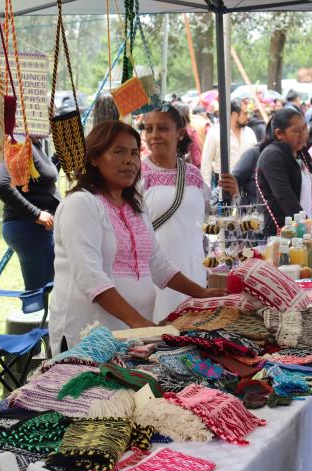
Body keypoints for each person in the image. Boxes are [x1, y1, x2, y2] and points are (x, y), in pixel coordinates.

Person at [50, 121, 223, 355]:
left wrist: (202, 294)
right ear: (94, 158)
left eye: (133, 153)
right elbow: (90, 277)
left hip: (131, 334)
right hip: (87, 333)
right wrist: (138, 322)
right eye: (119, 152)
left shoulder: (136, 206)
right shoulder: (81, 204)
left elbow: (159, 265)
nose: (130, 160)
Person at [140, 103, 235, 321]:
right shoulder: (136, 175)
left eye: (163, 128)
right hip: (153, 276)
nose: (154, 135)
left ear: (180, 133)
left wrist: (232, 194)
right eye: (149, 128)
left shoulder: (192, 175)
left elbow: (210, 220)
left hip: (194, 270)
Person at [256, 108, 312, 236]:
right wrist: (308, 232)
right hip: (283, 237)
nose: (303, 134)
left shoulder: (302, 154)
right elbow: (286, 199)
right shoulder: (272, 156)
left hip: (307, 233)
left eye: (304, 128)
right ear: (279, 133)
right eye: (296, 131)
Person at [0, 140, 59, 291]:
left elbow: (41, 180)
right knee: (40, 293)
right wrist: (36, 214)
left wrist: (60, 154)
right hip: (31, 229)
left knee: (46, 289)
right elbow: (0, 184)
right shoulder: (20, 142)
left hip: (36, 229)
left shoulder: (35, 144)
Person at [201, 98, 257, 187]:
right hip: (223, 188)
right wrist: (206, 191)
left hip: (248, 187)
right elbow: (206, 164)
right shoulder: (215, 133)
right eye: (245, 113)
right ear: (234, 114)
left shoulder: (249, 132)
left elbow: (256, 160)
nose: (248, 116)